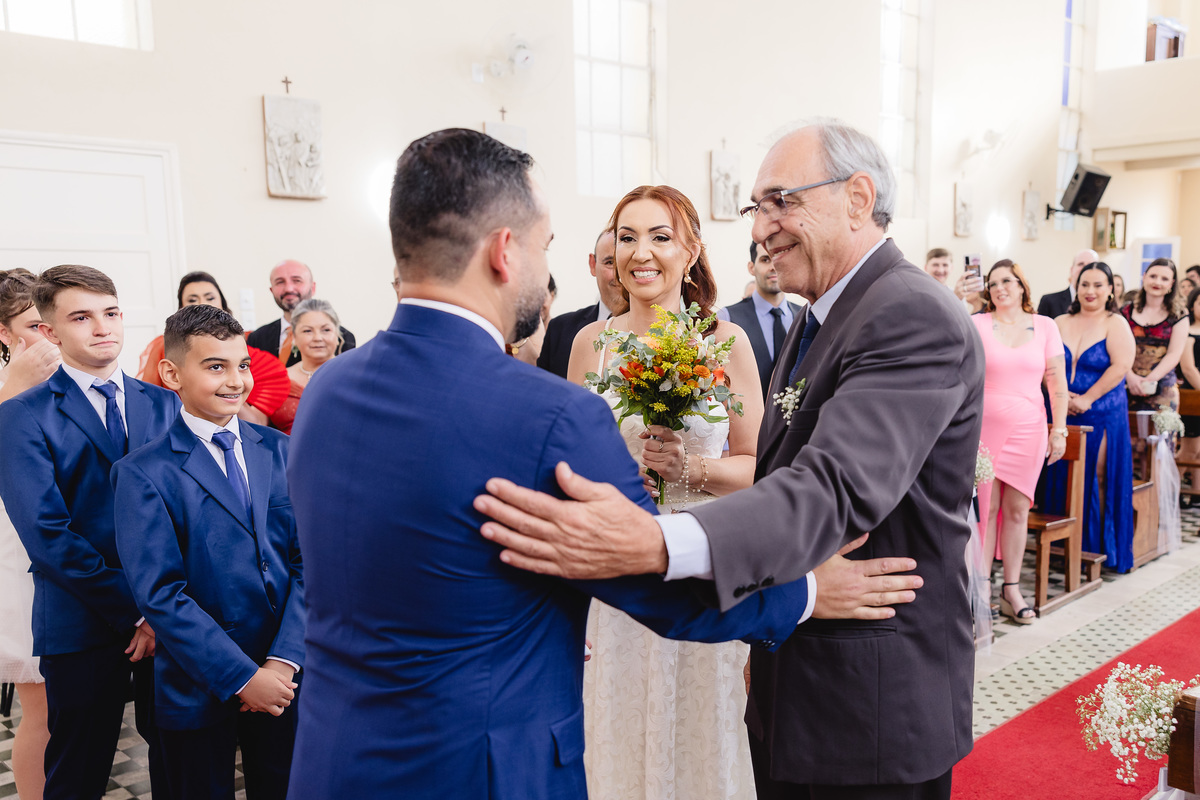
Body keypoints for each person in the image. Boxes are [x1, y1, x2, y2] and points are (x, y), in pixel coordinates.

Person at [286, 128, 920, 799]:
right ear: (506, 251)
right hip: (485, 768)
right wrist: (812, 592)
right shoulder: (548, 414)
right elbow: (665, 592)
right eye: (545, 246)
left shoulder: (327, 391)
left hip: (338, 761)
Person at [477, 119, 984, 799]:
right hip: (791, 658)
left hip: (869, 703)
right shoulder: (819, 315)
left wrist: (659, 539)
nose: (761, 227)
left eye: (781, 201)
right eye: (757, 208)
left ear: (858, 198)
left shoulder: (909, 313)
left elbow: (830, 488)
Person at [567, 187, 765, 799]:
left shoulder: (724, 343)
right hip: (617, 567)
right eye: (627, 237)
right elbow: (569, 469)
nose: (640, 253)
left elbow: (758, 468)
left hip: (704, 561)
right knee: (616, 722)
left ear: (691, 249)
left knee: (705, 720)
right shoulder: (590, 347)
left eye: (660, 236)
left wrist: (687, 472)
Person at [0, 264, 180, 800]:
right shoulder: (22, 415)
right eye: (81, 317)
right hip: (81, 615)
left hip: (172, 616)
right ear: (51, 333)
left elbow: (181, 512)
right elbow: (48, 534)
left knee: (177, 754)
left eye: (111, 313)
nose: (102, 327)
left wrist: (162, 605)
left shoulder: (162, 402)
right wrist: (135, 608)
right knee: (79, 765)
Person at [113, 304, 304, 800]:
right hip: (197, 681)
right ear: (172, 373)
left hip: (285, 680)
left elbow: (307, 565)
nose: (234, 380)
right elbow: (162, 594)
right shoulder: (143, 472)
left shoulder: (279, 449)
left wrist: (282, 663)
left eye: (241, 365)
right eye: (215, 366)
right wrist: (243, 678)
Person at [971, 260, 1068, 624]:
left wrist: (1059, 429)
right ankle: (979, 586)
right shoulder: (977, 324)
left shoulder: (1045, 326)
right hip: (984, 431)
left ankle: (1011, 587)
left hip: (1029, 427)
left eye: (1007, 281)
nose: (1000, 288)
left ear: (1022, 286)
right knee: (985, 509)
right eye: (993, 283)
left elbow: (1056, 381)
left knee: (1017, 509)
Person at [0, 268, 61, 800]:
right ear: (6, 333)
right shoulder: (9, 386)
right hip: (16, 554)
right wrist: (14, 389)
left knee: (73, 710)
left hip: (70, 552)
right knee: (40, 710)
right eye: (34, 324)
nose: (49, 335)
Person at [1047, 262, 1136, 571]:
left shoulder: (1115, 323)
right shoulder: (1059, 321)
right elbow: (1047, 363)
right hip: (1061, 408)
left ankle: (1100, 548)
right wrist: (1062, 397)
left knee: (1097, 476)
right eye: (1085, 284)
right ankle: (1064, 547)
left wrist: (1087, 398)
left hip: (1102, 410)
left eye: (1099, 285)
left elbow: (1120, 366)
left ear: (1110, 289)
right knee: (1061, 477)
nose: (1091, 291)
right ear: (1076, 285)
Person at [136, 271, 291, 424]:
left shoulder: (250, 346)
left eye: (210, 297)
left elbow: (257, 423)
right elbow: (150, 401)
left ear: (222, 304)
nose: (202, 303)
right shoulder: (163, 348)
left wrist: (231, 395)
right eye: (192, 299)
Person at [718, 241, 803, 399]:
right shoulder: (727, 317)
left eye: (778, 257)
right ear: (751, 267)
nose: (774, 266)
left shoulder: (805, 316)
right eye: (765, 259)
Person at [537, 230, 626, 378]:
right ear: (592, 264)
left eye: (624, 263)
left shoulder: (660, 332)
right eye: (610, 263)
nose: (618, 275)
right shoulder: (559, 329)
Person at [246, 260, 356, 367]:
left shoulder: (342, 338)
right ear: (272, 290)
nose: (288, 288)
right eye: (280, 282)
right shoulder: (257, 338)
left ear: (312, 288)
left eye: (297, 280)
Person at [1122, 257, 1188, 413]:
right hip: (1126, 383)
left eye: (1164, 278)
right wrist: (1130, 377)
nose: (1157, 282)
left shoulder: (1179, 315)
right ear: (1144, 277)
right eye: (1153, 276)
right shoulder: (1125, 312)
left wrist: (1149, 380)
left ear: (1171, 284)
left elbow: (1174, 354)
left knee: (1161, 436)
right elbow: (1117, 350)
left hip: (1163, 388)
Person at [269, 298, 343, 434]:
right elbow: (258, 423)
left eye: (326, 330)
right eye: (308, 331)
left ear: (337, 335)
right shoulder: (280, 379)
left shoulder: (352, 375)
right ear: (294, 337)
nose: (317, 337)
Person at [1176, 287, 1200, 499]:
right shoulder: (1189, 332)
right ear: (1193, 305)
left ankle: (1194, 493)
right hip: (1193, 396)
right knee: (1189, 451)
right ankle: (1168, 493)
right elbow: (1189, 369)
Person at [1037, 249, 1099, 319]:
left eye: (1090, 265)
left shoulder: (1102, 304)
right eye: (1080, 264)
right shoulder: (1049, 301)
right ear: (1072, 270)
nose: (1084, 268)